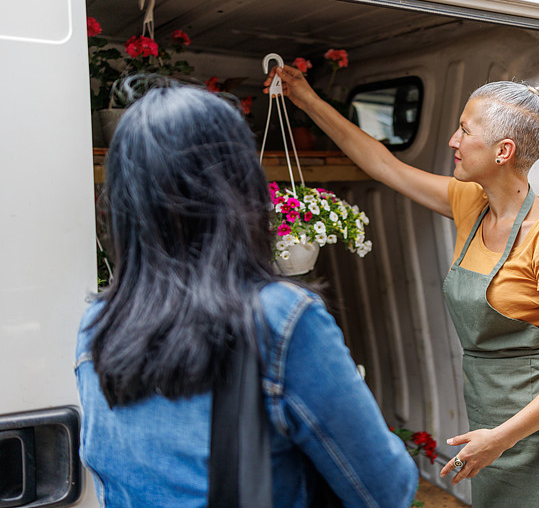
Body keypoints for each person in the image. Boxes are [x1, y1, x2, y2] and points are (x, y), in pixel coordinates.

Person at [269, 65, 539, 507]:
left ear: (502, 151)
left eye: (464, 131)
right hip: (490, 433)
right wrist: (307, 100)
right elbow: (382, 164)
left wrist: (500, 439)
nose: (453, 140)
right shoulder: (471, 203)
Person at [75, 81, 418, 507]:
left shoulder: (96, 325)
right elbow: (387, 491)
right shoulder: (281, 319)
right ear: (238, 187)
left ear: (126, 204)